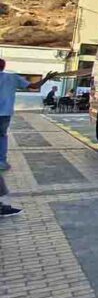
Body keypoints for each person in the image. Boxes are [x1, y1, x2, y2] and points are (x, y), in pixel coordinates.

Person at [0, 58, 57, 217]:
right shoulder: (12, 77)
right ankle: (2, 160)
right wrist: (46, 79)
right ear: (4, 67)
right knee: (2, 136)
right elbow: (34, 86)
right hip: (4, 114)